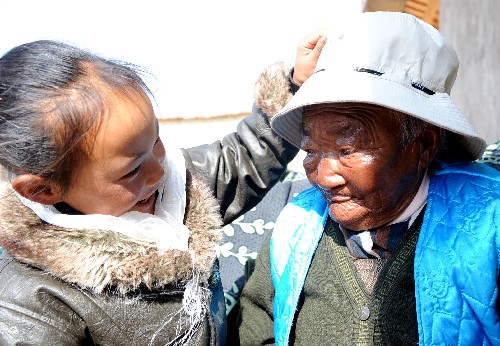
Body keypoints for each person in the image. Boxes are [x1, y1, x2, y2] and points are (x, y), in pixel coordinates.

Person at [0, 33, 326, 345]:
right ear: (43, 190)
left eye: (156, 141)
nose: (157, 170)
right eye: (131, 171)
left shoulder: (175, 187)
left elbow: (244, 157)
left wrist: (294, 84)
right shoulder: (32, 299)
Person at [238, 12, 500, 345]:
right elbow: (258, 326)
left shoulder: (490, 225)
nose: (323, 177)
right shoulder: (296, 225)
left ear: (423, 144)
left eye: (347, 149)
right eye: (311, 149)